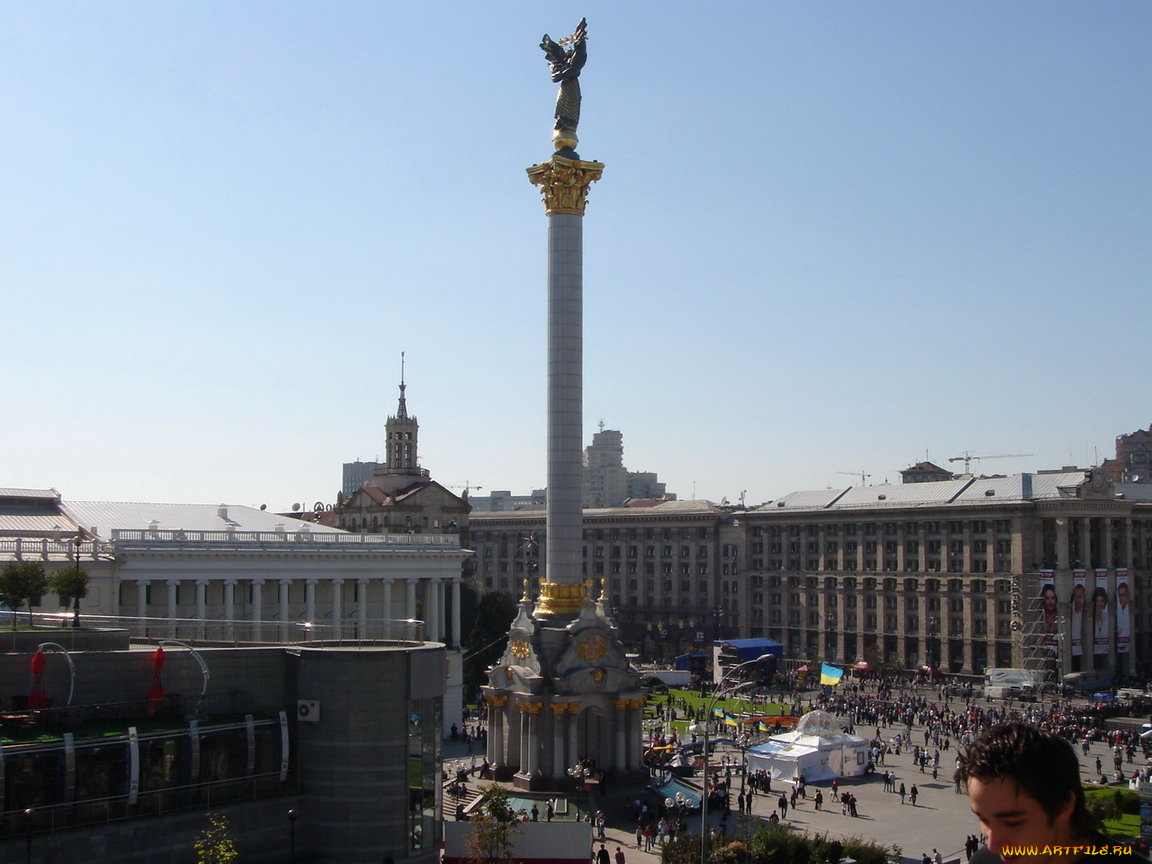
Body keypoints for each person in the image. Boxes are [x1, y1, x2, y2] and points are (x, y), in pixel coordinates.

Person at [962, 721, 1146, 863]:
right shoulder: (985, 861)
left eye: (1012, 823)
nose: (993, 845)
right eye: (983, 819)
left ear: (1063, 806)